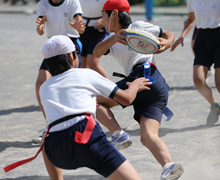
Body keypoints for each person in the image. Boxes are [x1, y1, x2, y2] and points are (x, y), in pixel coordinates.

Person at [93, 0, 184, 179]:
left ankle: (118, 134)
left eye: (103, 14)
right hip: (156, 84)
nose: (101, 19)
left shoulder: (137, 26)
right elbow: (96, 52)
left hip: (141, 76)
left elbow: (168, 33)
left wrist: (167, 42)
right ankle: (169, 165)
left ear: (115, 14)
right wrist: (113, 38)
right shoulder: (111, 40)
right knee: (148, 136)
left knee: (92, 100)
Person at [40, 35, 152, 180]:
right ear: (71, 56)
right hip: (86, 138)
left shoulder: (44, 88)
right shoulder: (85, 74)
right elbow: (126, 99)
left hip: (57, 150)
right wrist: (135, 85)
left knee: (46, 137)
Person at [170, 0, 220, 125]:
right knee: (198, 80)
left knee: (219, 84)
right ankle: (215, 106)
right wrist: (182, 36)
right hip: (202, 38)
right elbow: (190, 20)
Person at [35, 0, 85, 119]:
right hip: (53, 47)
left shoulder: (72, 2)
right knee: (40, 84)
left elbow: (81, 29)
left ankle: (75, 119)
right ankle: (50, 123)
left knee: (68, 86)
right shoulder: (43, 4)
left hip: (71, 45)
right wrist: (40, 27)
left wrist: (79, 28)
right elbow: (40, 31)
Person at [79, 0, 108, 78]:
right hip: (82, 29)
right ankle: (85, 88)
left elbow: (116, 8)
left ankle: (111, 86)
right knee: (82, 65)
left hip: (97, 30)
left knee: (92, 64)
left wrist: (103, 21)